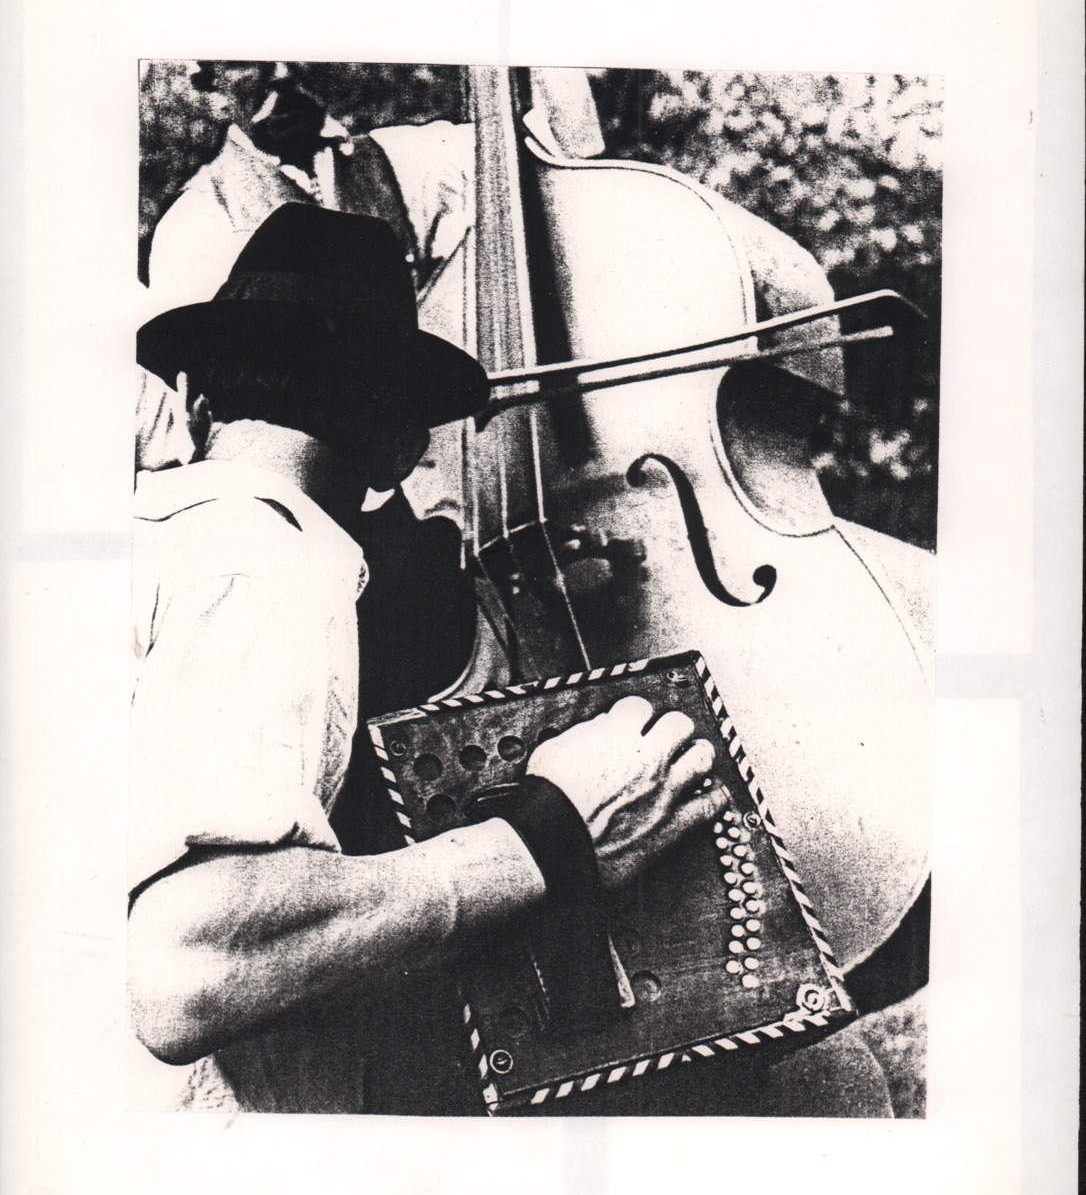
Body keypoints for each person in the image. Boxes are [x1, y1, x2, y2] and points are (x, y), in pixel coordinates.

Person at [127, 203, 729, 1112]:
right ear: (402, 445)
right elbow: (189, 971)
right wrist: (548, 837)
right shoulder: (275, 554)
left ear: (195, 403)